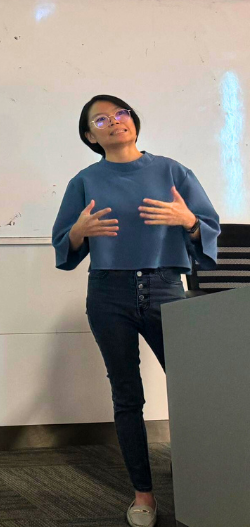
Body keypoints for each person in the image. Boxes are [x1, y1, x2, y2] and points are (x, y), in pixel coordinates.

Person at [52, 95, 219, 527]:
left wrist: (188, 221)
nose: (115, 122)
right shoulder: (84, 181)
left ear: (134, 121)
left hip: (165, 287)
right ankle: (143, 494)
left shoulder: (172, 171)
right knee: (127, 396)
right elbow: (64, 247)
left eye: (121, 113)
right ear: (90, 136)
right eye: (101, 120)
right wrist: (78, 232)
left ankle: (207, 477)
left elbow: (209, 231)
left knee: (195, 390)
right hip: (108, 293)